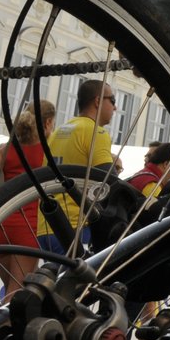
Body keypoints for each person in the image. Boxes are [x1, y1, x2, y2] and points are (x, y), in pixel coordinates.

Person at [40, 81, 119, 254]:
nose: (115, 108)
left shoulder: (60, 130)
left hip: (47, 225)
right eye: (112, 100)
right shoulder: (95, 132)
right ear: (98, 101)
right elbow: (110, 182)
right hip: (76, 226)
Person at [0, 100, 56, 295]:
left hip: (2, 224)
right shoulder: (47, 149)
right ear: (48, 122)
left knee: (10, 288)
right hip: (29, 225)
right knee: (16, 292)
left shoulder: (4, 147)